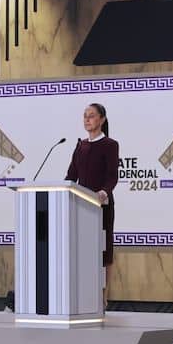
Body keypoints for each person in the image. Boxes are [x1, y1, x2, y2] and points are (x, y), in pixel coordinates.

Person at [65, 103, 120, 307]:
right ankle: (85, 294)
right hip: (81, 206)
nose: (87, 119)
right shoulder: (80, 146)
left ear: (102, 119)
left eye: (92, 116)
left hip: (101, 205)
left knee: (103, 251)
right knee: (83, 251)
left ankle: (102, 298)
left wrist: (104, 193)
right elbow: (71, 176)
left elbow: (112, 176)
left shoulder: (110, 144)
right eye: (85, 116)